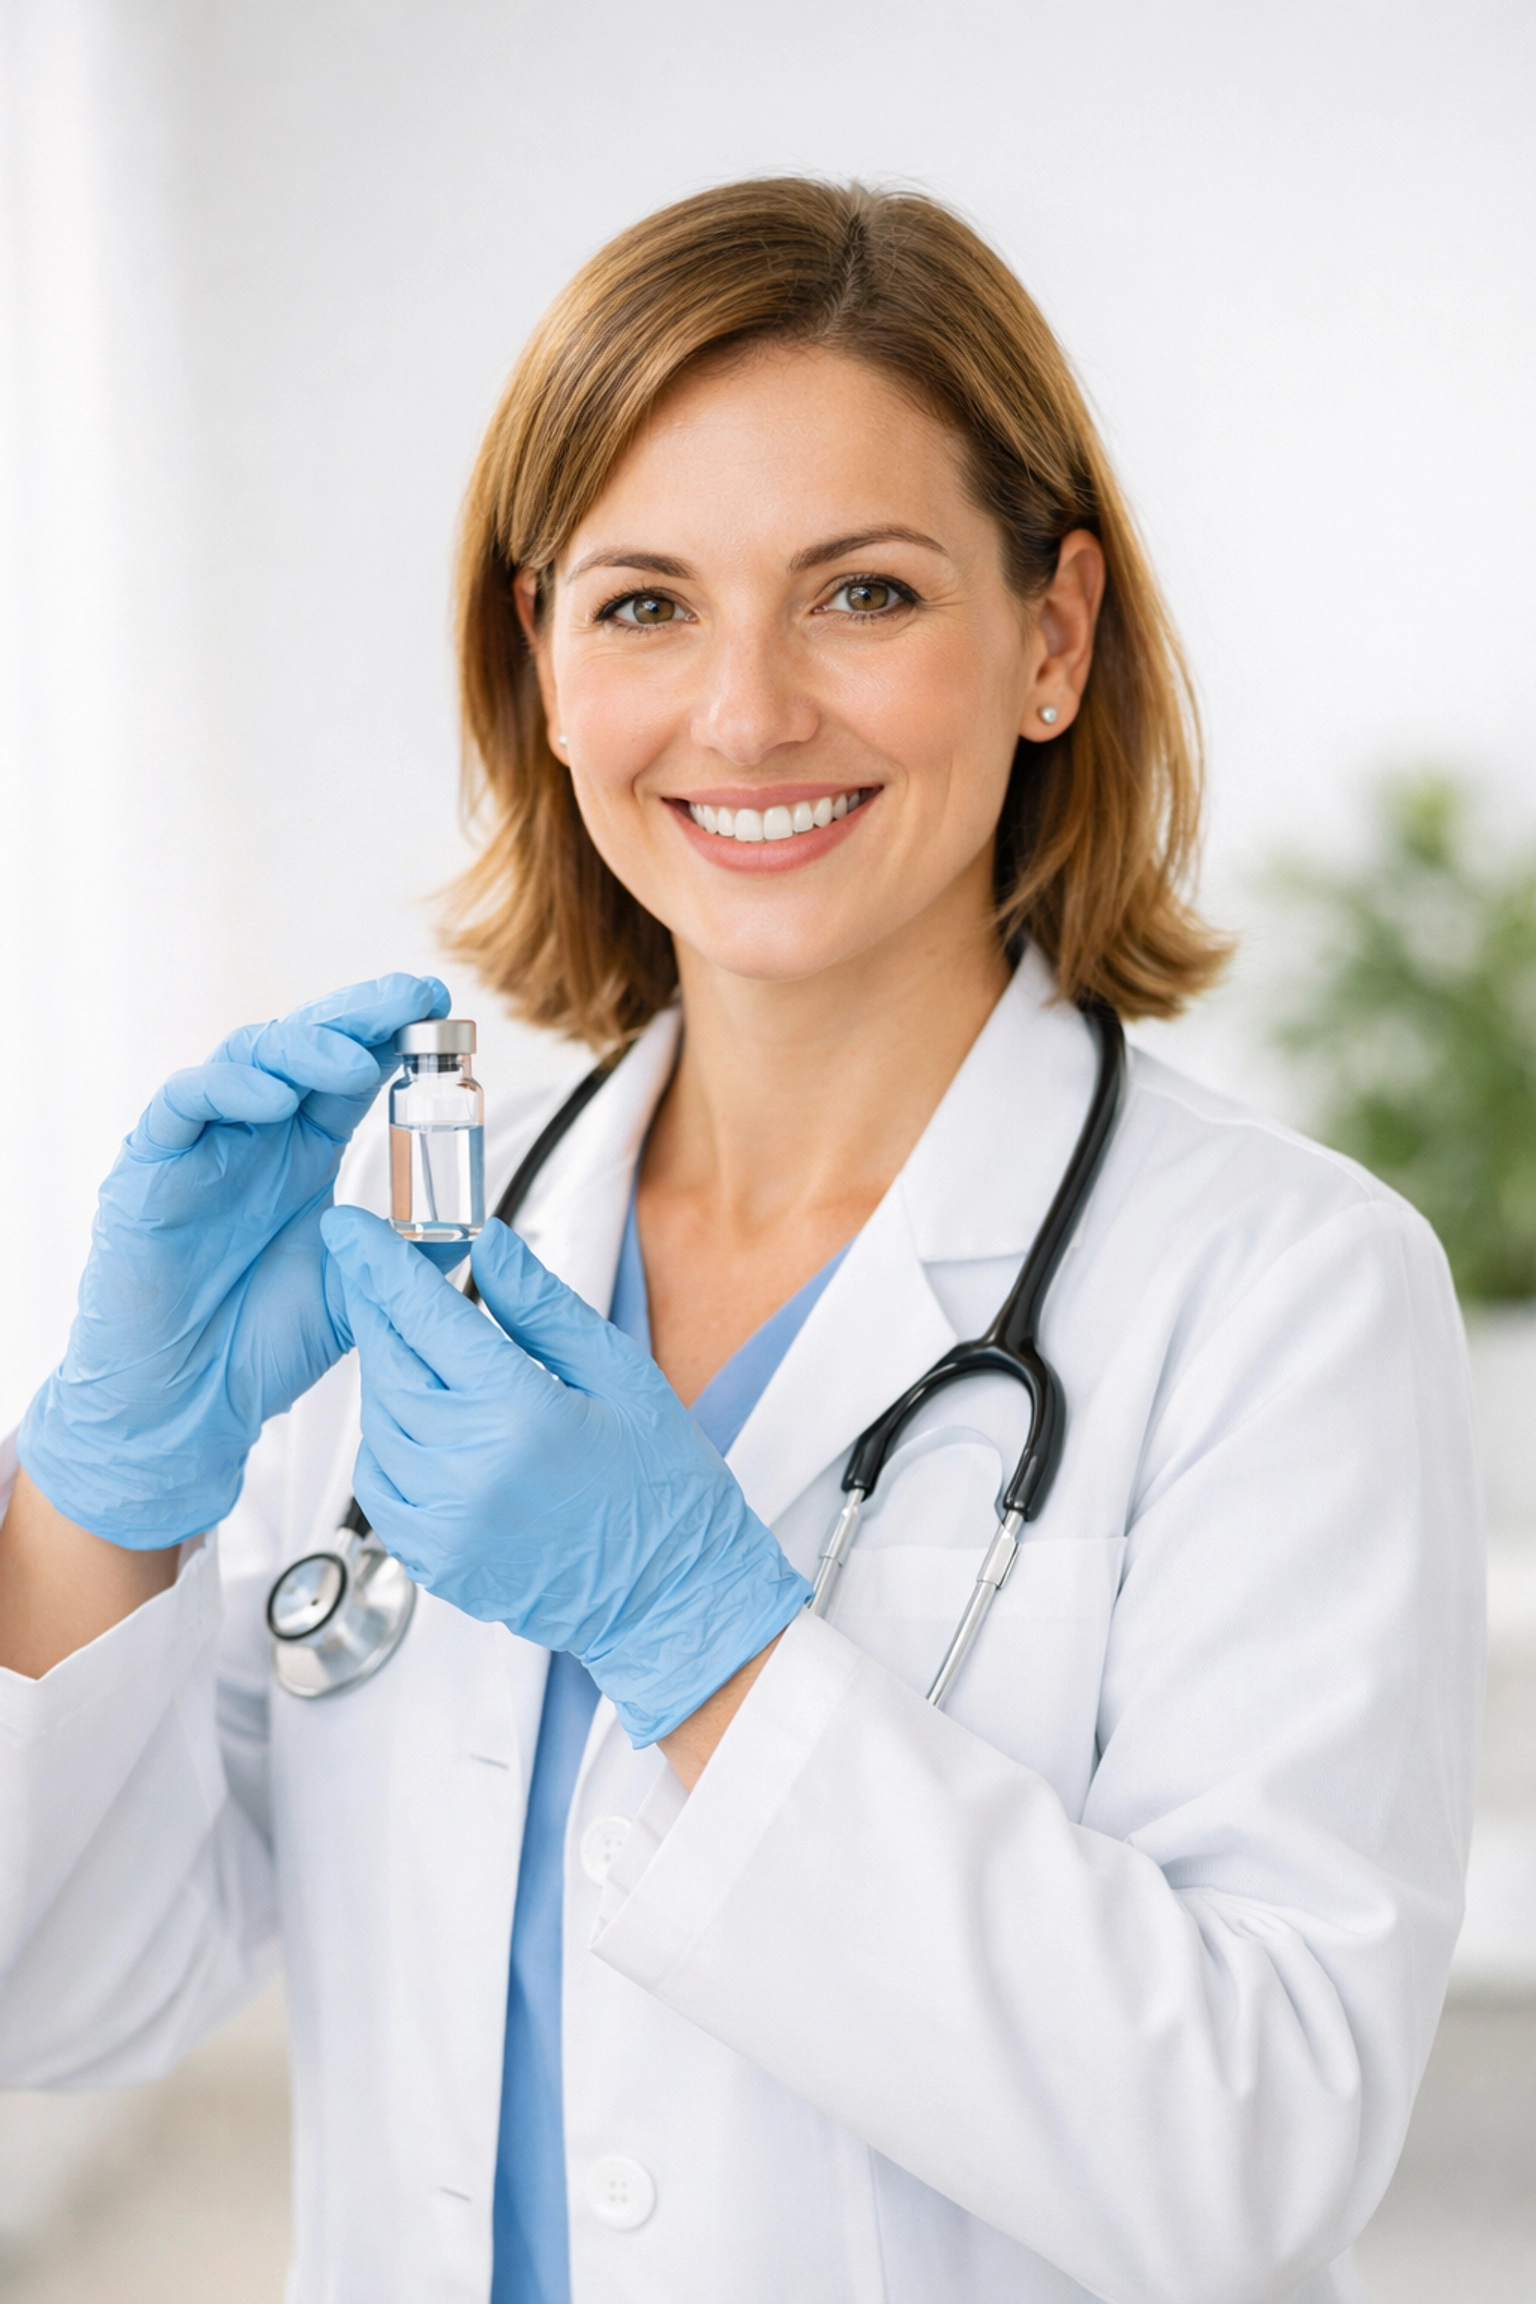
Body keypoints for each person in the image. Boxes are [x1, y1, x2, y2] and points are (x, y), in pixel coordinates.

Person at [0, 180, 1483, 2304]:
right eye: (643, 604)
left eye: (863, 594)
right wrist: (100, 1493)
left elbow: (1253, 2153)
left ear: (1054, 636)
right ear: (542, 657)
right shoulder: (434, 1251)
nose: (750, 712)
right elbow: (72, 1996)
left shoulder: (1281, 1293)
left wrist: (710, 1645)